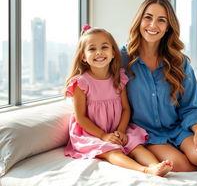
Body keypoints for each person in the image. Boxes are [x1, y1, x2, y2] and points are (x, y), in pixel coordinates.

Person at [121, 0, 197, 172]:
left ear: (168, 27)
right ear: (139, 20)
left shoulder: (179, 62)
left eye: (161, 20)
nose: (153, 25)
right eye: (148, 17)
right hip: (147, 134)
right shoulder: (122, 59)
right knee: (179, 165)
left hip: (178, 128)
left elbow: (192, 104)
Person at [64, 25, 173, 176]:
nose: (99, 52)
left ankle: (156, 166)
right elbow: (81, 118)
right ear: (83, 56)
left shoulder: (119, 78)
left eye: (104, 47)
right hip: (93, 133)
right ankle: (145, 169)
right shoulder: (81, 83)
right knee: (112, 151)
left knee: (136, 146)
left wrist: (121, 131)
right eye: (92, 49)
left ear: (114, 53)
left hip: (117, 129)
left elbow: (125, 109)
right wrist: (103, 136)